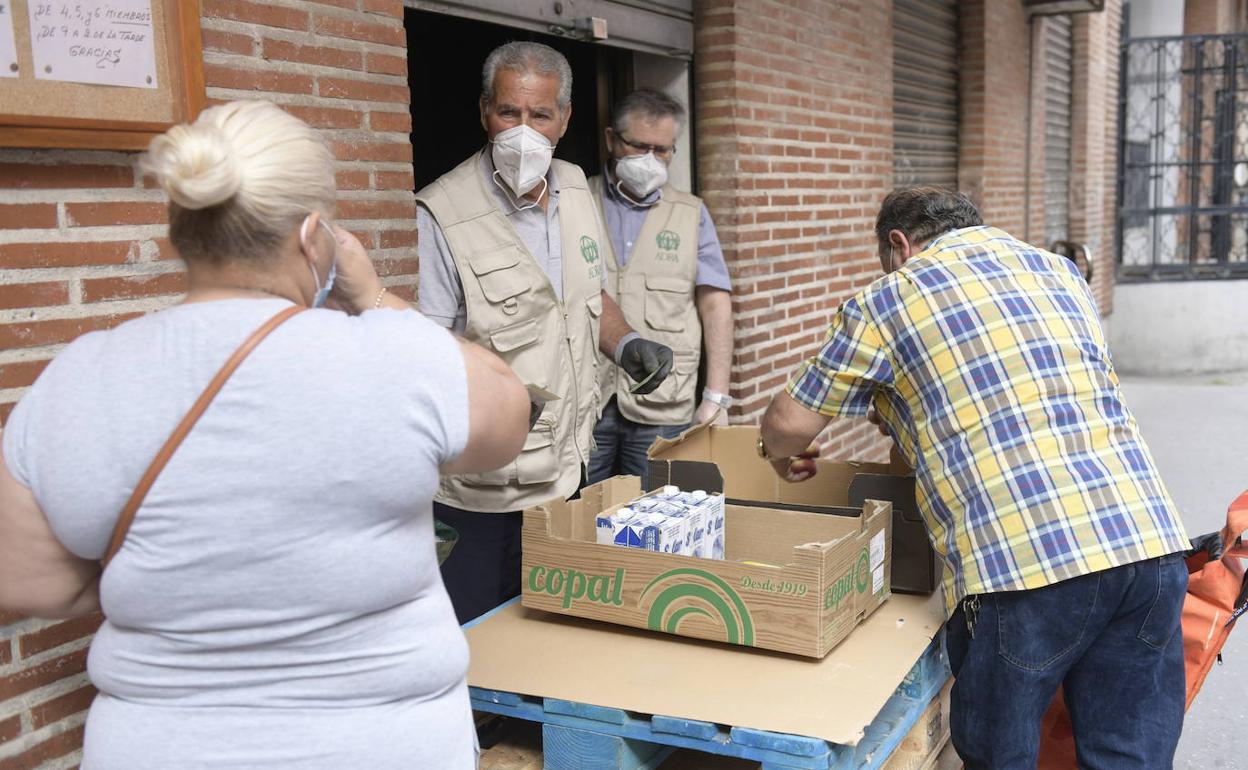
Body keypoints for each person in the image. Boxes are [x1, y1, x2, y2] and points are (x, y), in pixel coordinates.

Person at [0, 100, 529, 770]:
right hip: (381, 746)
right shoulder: (394, 357)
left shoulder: (80, 375)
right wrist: (375, 299)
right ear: (315, 237)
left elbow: (27, 583)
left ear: (182, 232)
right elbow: (508, 416)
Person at [758, 186, 1192, 769]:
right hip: (1148, 547)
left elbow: (789, 422)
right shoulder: (1060, 274)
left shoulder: (889, 299)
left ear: (898, 243)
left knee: (999, 756)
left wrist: (780, 453)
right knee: (1127, 758)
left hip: (1027, 568)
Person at [417, 42, 673, 624]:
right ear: (485, 111)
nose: (524, 131)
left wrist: (627, 340)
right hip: (489, 490)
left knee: (557, 635)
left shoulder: (576, 186)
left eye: (541, 115)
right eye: (510, 113)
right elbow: (428, 349)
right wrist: (499, 398)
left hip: (571, 470)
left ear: (565, 118)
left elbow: (587, 297)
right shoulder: (441, 212)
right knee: (485, 650)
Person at [585, 88, 733, 485]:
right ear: (612, 139)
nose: (651, 159)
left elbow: (715, 302)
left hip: (664, 400)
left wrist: (716, 395)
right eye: (639, 146)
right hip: (588, 400)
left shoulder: (691, 213)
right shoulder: (574, 200)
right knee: (579, 519)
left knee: (656, 519)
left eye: (663, 150)